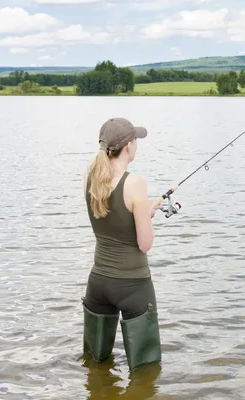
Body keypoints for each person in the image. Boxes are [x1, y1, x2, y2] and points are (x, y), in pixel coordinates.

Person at [81, 117, 162, 373]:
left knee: (94, 363)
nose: (137, 144)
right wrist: (146, 215)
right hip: (132, 287)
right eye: (136, 140)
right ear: (128, 145)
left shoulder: (91, 177)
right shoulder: (135, 183)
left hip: (98, 283)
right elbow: (145, 243)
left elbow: (112, 217)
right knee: (145, 371)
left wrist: (143, 212)